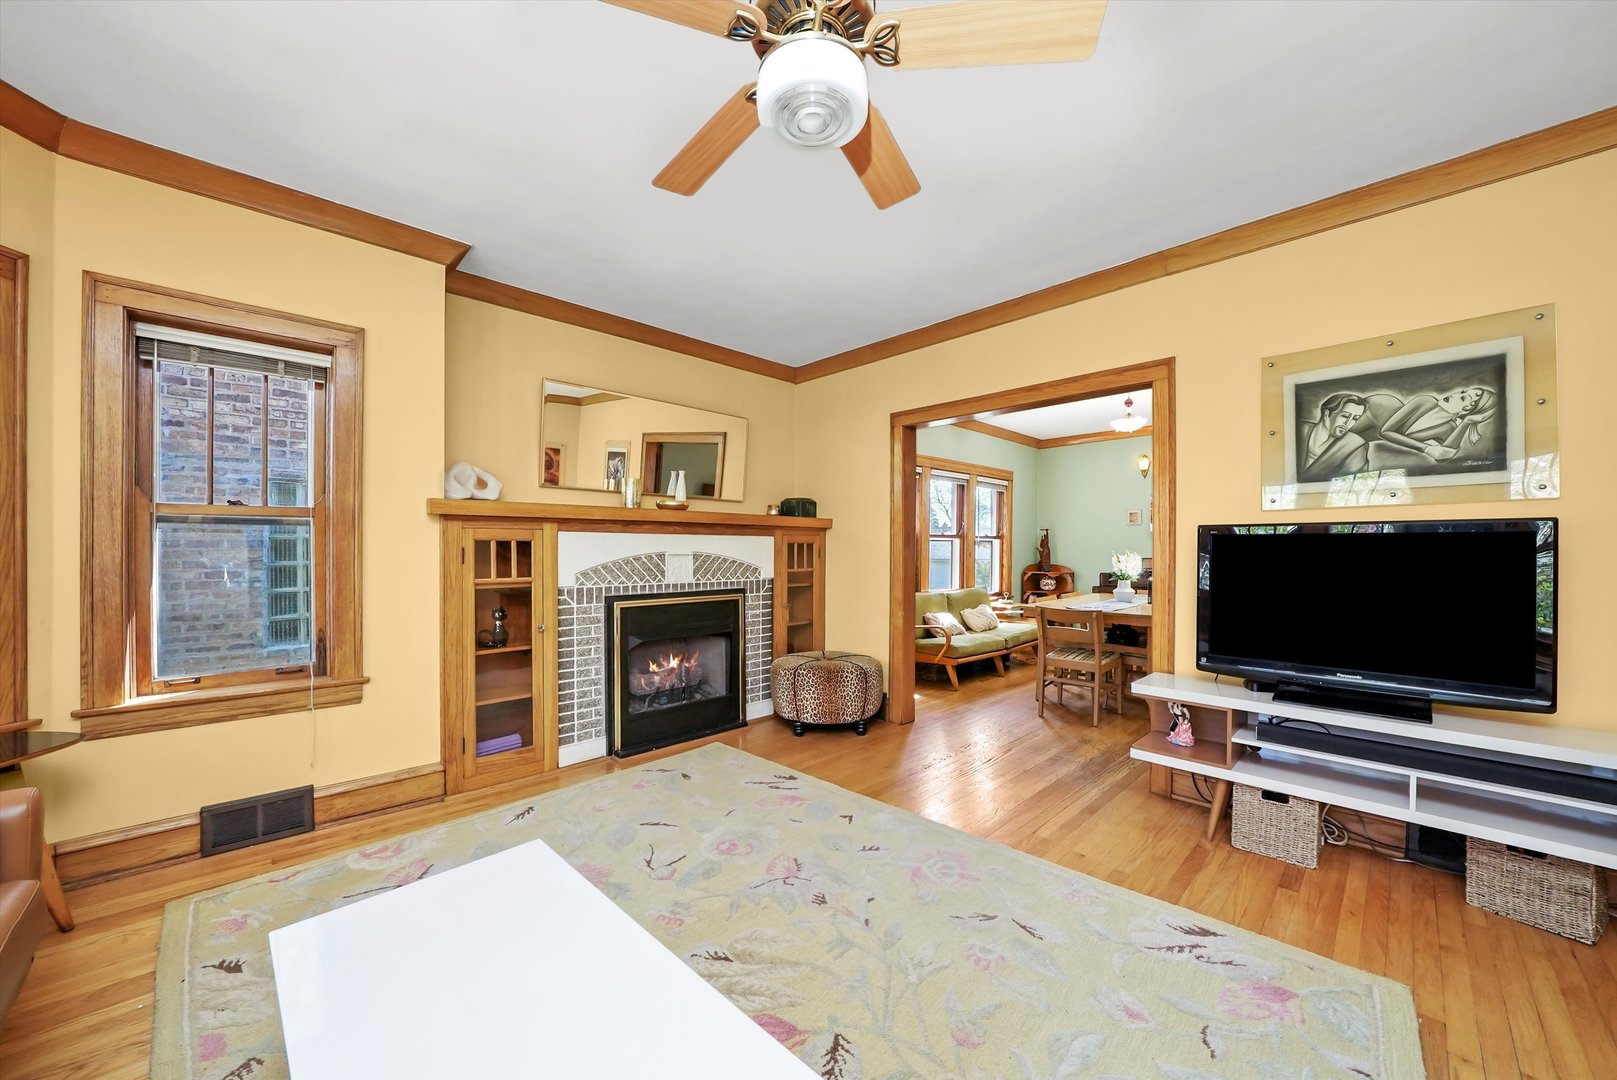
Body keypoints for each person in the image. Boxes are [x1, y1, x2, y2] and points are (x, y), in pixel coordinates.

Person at [1371, 386, 1499, 469]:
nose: (1454, 394)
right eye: (1462, 391)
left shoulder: (1449, 428)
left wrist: (1467, 422)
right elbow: (1385, 432)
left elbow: (1444, 456)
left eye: (1463, 398)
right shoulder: (1424, 401)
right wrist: (1426, 448)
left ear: (1465, 410)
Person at [1298, 392, 1369, 481]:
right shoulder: (1300, 430)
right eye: (1345, 416)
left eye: (1355, 418)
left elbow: (1352, 481)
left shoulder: (1355, 445)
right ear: (1326, 414)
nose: (1348, 423)